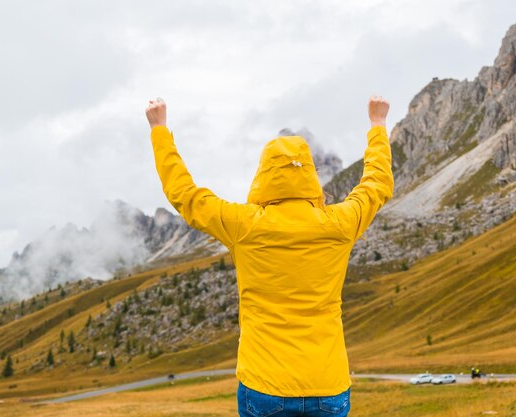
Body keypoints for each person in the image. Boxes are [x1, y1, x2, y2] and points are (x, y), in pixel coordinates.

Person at [145, 95, 393, 417]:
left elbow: (185, 195)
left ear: (263, 175)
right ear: (311, 176)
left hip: (264, 384)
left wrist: (159, 129)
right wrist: (378, 124)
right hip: (328, 383)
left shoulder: (244, 226)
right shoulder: (340, 223)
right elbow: (376, 184)